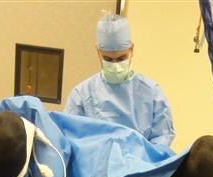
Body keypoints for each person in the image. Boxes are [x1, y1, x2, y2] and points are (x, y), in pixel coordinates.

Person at [64, 13, 175, 147]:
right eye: (108, 59)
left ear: (131, 50)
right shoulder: (81, 95)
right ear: (98, 52)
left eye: (121, 58)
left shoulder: (152, 93)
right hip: (95, 161)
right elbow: (70, 139)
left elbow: (162, 138)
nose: (115, 65)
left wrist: (142, 157)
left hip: (142, 160)